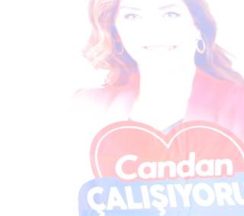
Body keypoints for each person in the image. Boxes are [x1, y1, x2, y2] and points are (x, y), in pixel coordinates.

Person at [80, 0, 244, 140]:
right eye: (132, 16)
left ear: (198, 26)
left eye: (170, 14)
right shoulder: (86, 108)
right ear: (116, 33)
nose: (153, 30)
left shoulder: (238, 104)